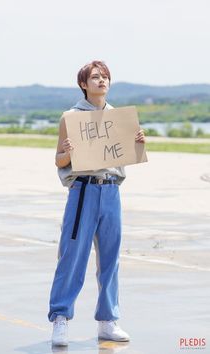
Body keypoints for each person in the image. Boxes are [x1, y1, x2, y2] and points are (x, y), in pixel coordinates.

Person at [48, 60, 145, 346]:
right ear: (83, 84)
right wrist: (66, 152)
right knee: (72, 257)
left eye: (105, 77)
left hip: (111, 191)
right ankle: (61, 319)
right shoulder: (71, 117)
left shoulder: (119, 117)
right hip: (83, 191)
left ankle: (108, 320)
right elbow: (59, 161)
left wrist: (139, 142)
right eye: (95, 77)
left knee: (111, 259)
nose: (101, 81)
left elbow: (128, 154)